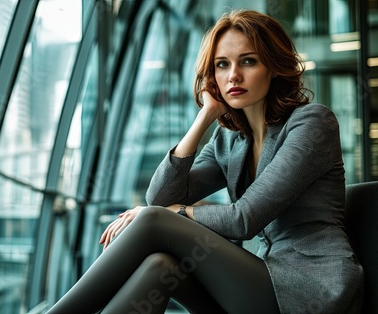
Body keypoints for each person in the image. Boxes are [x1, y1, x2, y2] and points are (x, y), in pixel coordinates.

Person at [46, 9, 363, 314]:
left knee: (156, 222)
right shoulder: (229, 140)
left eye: (248, 61)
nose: (233, 75)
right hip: (263, 278)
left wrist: (176, 213)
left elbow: (244, 220)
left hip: (311, 289)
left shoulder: (312, 123)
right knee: (161, 266)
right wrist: (204, 117)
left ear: (274, 66)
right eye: (222, 65)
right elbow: (159, 199)